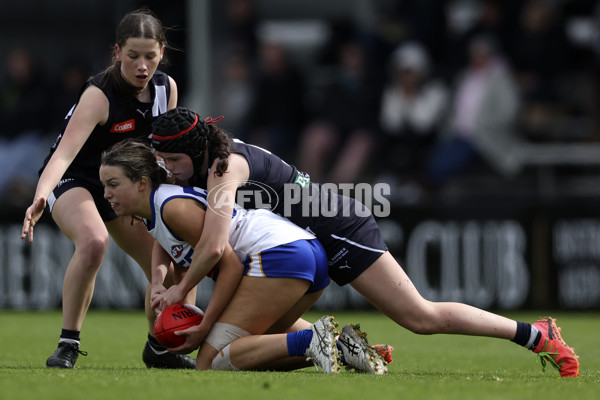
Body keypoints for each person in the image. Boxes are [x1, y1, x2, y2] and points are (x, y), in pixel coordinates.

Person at [149, 106, 580, 378]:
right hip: (303, 242)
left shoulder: (224, 168)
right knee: (263, 328)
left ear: (194, 149)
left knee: (421, 316)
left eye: (172, 160)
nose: (168, 170)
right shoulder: (212, 159)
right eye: (162, 161)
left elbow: (211, 245)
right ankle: (348, 347)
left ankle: (533, 332)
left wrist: (180, 292)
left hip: (339, 229)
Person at [99, 139, 388, 374]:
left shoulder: (171, 207)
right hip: (300, 253)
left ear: (142, 182)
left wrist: (204, 326)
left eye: (113, 184)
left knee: (210, 362)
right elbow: (162, 242)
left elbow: (231, 266)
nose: (106, 194)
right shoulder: (158, 205)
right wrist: (160, 281)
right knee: (252, 349)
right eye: (104, 186)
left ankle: (317, 340)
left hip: (280, 255)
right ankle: (343, 348)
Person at [19, 9, 191, 370]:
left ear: (162, 51)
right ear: (117, 52)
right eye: (133, 56)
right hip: (75, 181)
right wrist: (40, 195)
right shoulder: (99, 95)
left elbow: (162, 152)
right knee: (95, 241)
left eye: (150, 56)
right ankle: (68, 344)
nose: (142, 66)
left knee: (172, 263)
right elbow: (63, 154)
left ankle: (160, 347)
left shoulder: (167, 88)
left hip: (124, 187)